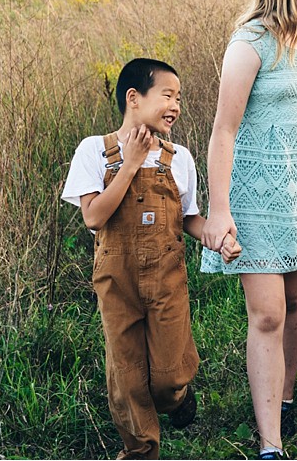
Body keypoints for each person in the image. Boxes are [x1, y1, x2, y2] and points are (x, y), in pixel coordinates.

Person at [199, 0, 297, 461]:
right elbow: (223, 132)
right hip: (254, 197)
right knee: (268, 315)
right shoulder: (249, 42)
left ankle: (284, 398)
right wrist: (220, 210)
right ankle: (270, 445)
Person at [61, 57, 204, 459]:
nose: (176, 105)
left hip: (167, 279)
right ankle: (140, 449)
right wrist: (132, 163)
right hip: (116, 282)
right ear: (134, 98)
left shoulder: (181, 158)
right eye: (167, 95)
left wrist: (215, 235)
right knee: (127, 378)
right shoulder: (94, 151)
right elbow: (94, 216)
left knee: (166, 376)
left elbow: (189, 218)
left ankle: (177, 397)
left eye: (179, 97)